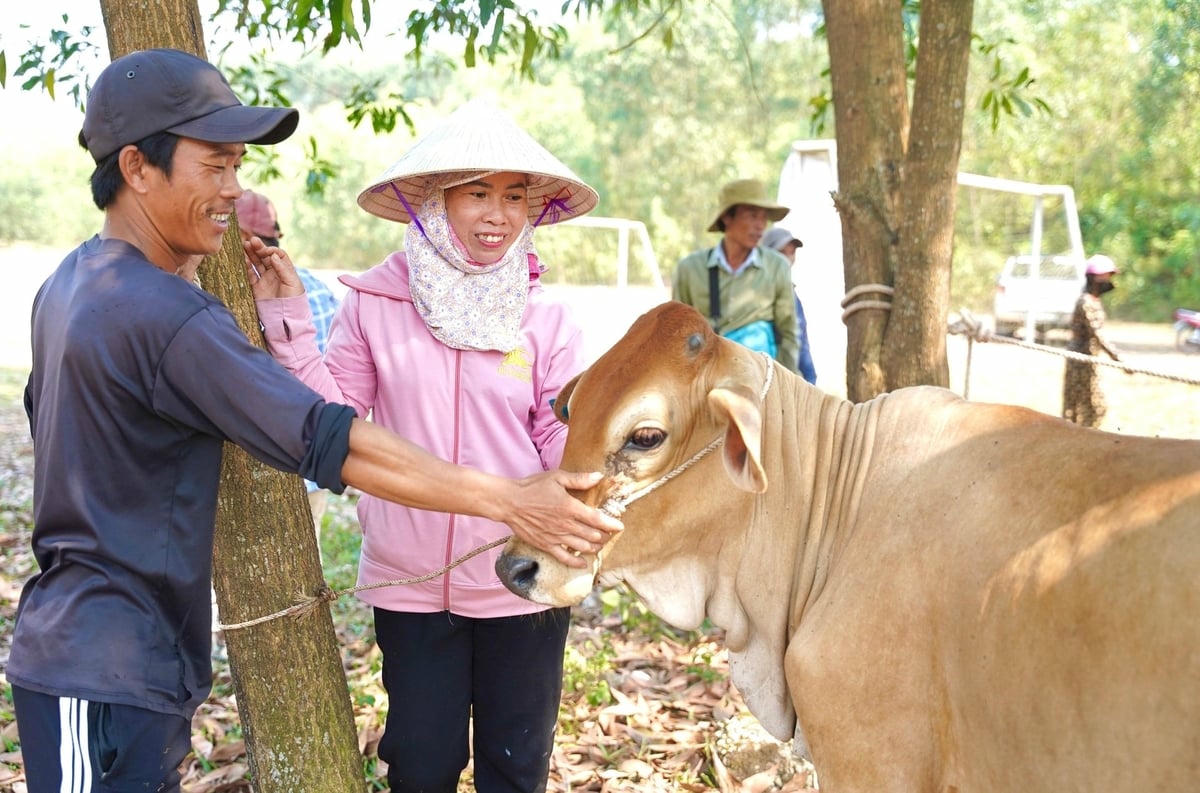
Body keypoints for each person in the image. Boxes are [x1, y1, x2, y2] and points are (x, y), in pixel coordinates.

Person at [11, 50, 619, 793]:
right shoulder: (172, 315)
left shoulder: (69, 282)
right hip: (104, 661)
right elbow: (327, 434)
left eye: (238, 167)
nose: (235, 191)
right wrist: (507, 497)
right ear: (138, 167)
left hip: (109, 656)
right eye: (216, 167)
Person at [246, 97, 598, 793]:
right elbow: (334, 416)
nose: (498, 215)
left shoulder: (547, 316)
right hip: (410, 585)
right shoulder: (375, 303)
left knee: (514, 765)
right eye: (477, 194)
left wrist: (587, 470)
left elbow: (559, 431)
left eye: (514, 195)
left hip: (523, 576)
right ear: (434, 202)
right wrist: (288, 319)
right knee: (422, 763)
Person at [235, 188, 340, 534]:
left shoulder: (239, 300)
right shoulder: (315, 287)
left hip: (263, 472)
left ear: (245, 239)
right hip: (316, 466)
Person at [672, 178, 799, 372]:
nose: (760, 225)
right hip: (706, 378)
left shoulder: (776, 267)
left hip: (761, 379)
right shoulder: (690, 270)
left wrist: (785, 385)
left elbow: (788, 333)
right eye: (752, 216)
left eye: (764, 218)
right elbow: (678, 332)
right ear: (727, 218)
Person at [1062, 254, 1122, 428]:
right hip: (1080, 358)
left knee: (1089, 405)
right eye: (1105, 275)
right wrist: (1116, 357)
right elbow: (1097, 333)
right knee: (1085, 406)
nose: (1109, 280)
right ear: (1094, 278)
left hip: (1089, 357)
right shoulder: (1086, 302)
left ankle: (1084, 435)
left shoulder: (1093, 300)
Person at [762, 225, 817, 385]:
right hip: (768, 377)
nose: (787, 259)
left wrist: (810, 380)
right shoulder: (757, 294)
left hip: (793, 379)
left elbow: (801, 342)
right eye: (781, 252)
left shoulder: (792, 295)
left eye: (791, 252)